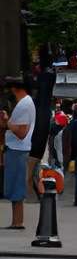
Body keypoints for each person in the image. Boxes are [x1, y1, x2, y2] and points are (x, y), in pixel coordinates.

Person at [3, 77, 36, 231]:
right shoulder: (27, 102)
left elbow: (21, 132)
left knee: (15, 186)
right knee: (15, 186)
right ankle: (16, 221)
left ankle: (18, 222)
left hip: (18, 149)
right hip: (19, 149)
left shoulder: (23, 105)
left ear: (15, 88)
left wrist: (7, 120)